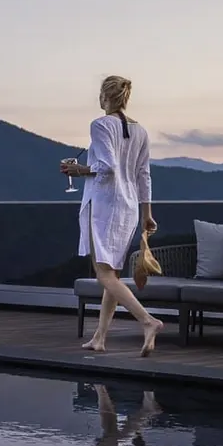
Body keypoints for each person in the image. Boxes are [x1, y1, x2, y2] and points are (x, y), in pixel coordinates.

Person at [60, 75, 162, 355]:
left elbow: (107, 168)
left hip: (105, 206)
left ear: (104, 97)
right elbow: (144, 175)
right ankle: (99, 338)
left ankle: (148, 321)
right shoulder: (140, 131)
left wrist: (77, 170)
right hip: (128, 208)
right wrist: (147, 214)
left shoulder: (101, 125)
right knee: (112, 274)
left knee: (104, 274)